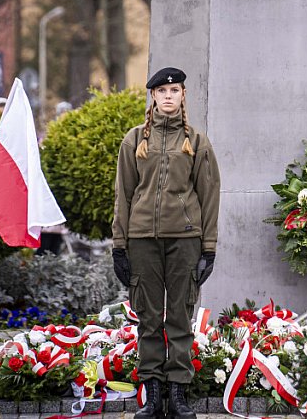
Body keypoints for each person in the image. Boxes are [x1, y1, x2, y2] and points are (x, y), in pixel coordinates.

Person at [111, 67, 221, 419]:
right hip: (142, 240)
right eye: (163, 90)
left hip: (184, 240)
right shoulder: (134, 139)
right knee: (147, 317)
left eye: (175, 89)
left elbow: (209, 194)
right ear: (154, 96)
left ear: (183, 95)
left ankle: (178, 394)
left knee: (179, 316)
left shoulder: (196, 141)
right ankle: (152, 393)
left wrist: (209, 247)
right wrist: (119, 244)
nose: (169, 95)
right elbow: (123, 194)